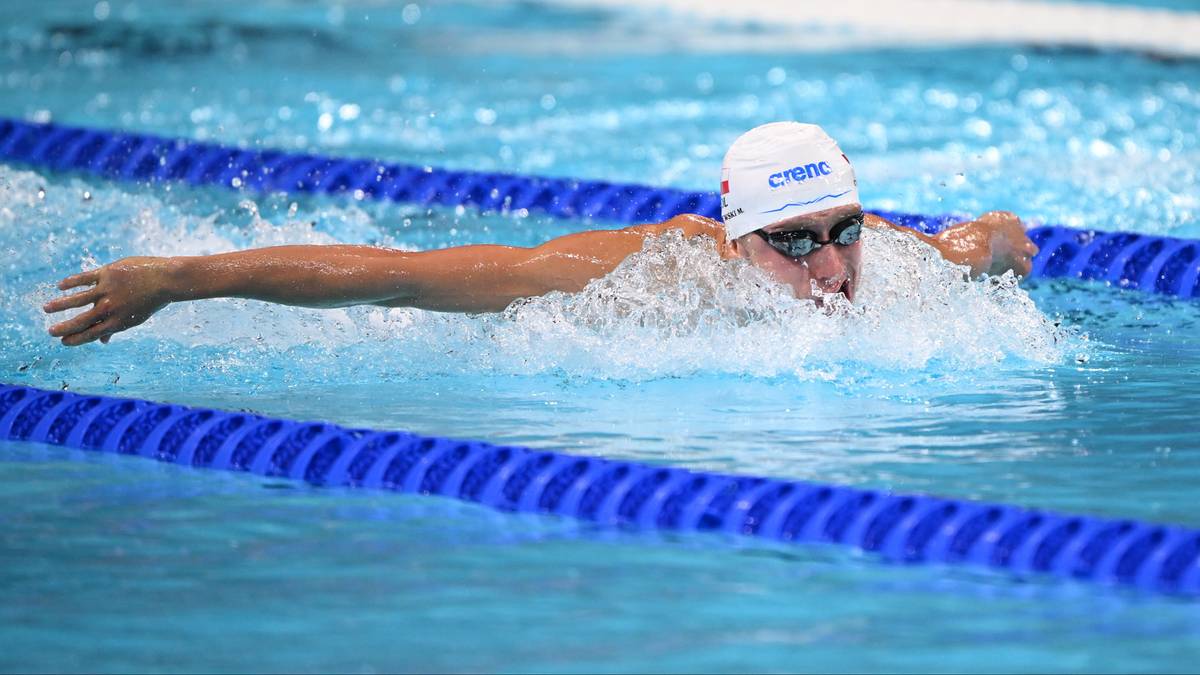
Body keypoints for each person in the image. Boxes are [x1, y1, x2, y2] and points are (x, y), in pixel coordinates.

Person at [44, 122, 1037, 347]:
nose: (832, 267)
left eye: (844, 230)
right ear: (735, 241)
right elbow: (401, 280)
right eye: (792, 241)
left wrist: (1002, 243)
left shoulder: (898, 267)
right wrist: (181, 276)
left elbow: (985, 239)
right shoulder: (651, 275)